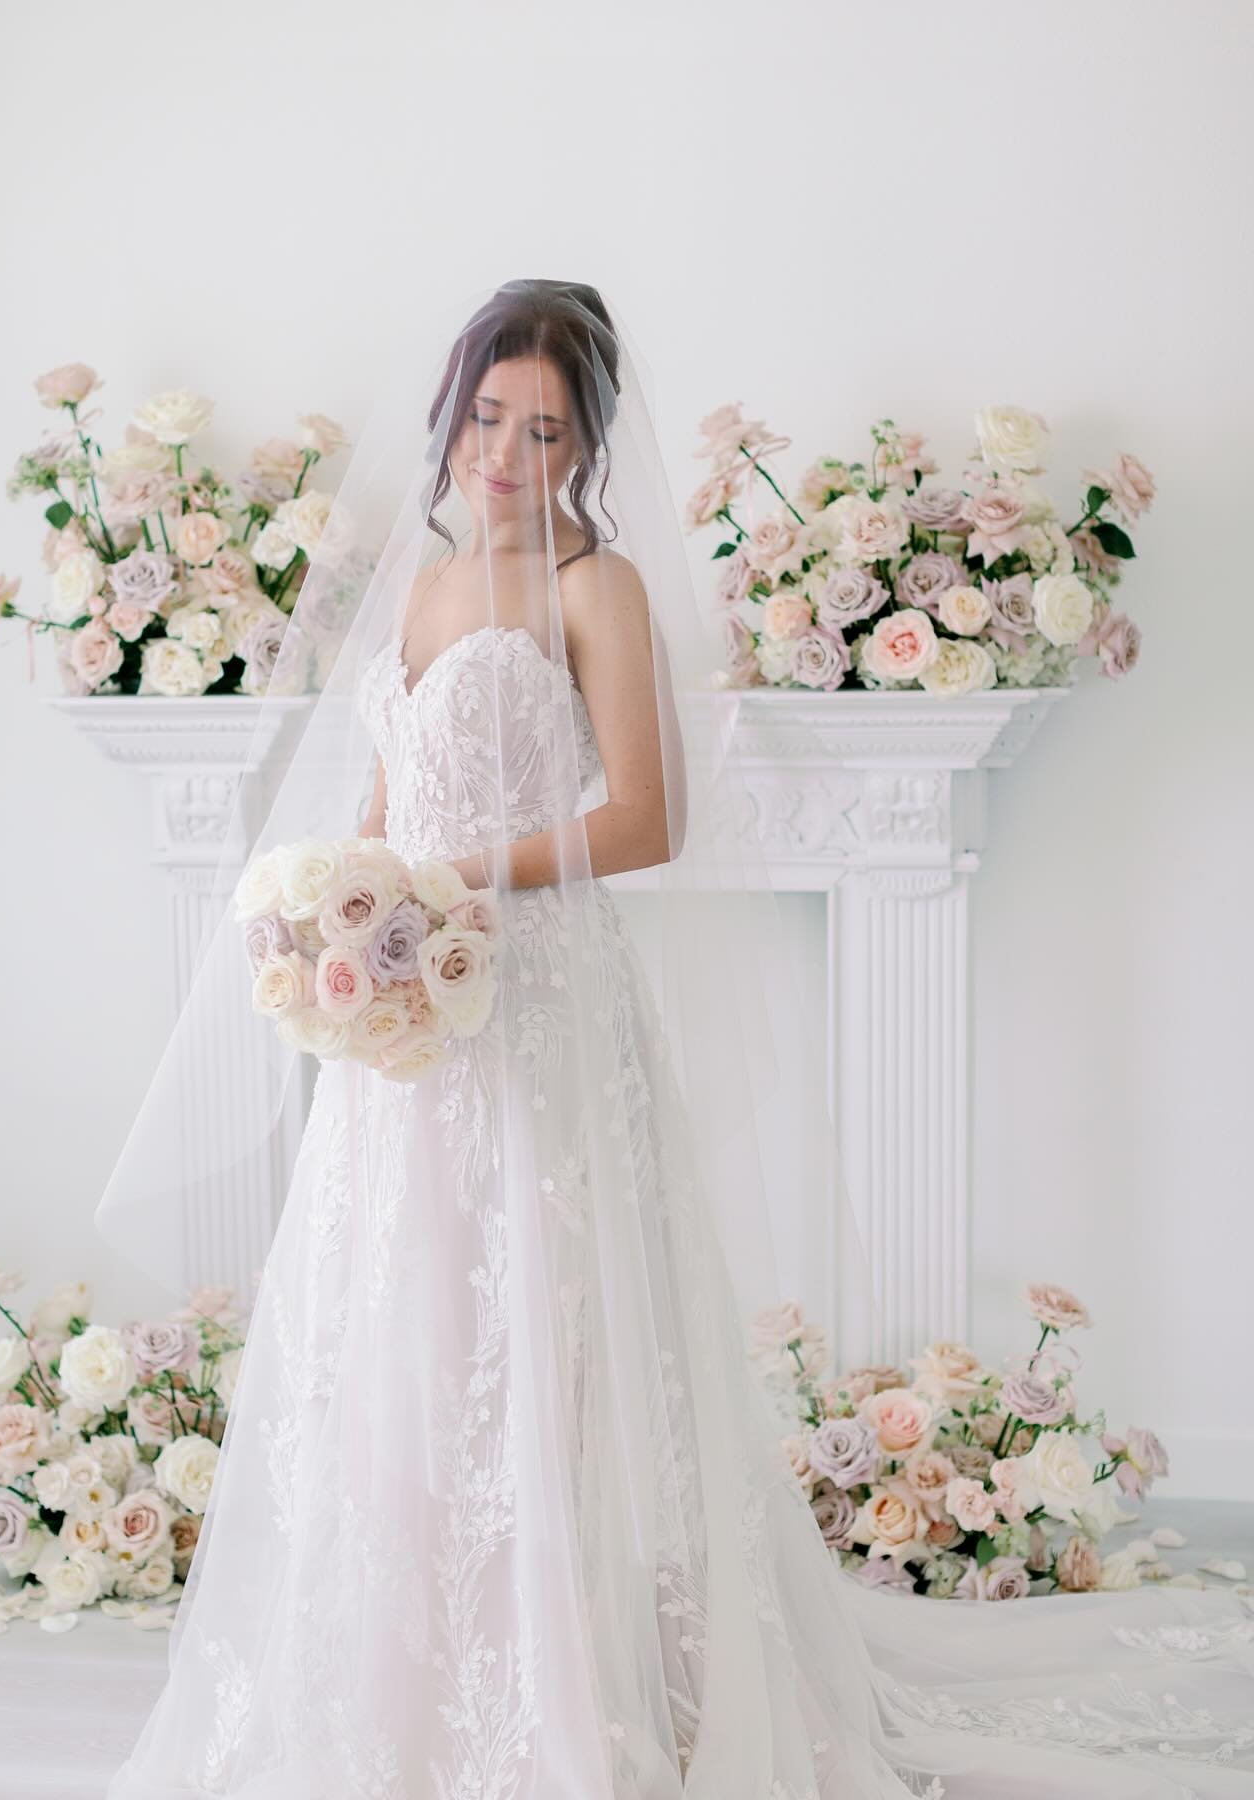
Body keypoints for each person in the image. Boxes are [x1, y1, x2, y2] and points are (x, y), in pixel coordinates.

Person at [96, 279, 1254, 1798]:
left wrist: (449, 884)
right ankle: (409, 1669)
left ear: (587, 444)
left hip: (542, 1001)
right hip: (414, 1010)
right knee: (405, 1321)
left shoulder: (598, 587)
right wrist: (349, 911)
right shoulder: (422, 585)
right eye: (491, 417)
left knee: (555, 1327)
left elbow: (646, 816)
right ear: (453, 412)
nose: (508, 452)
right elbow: (387, 796)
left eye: (546, 428)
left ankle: (580, 1673)